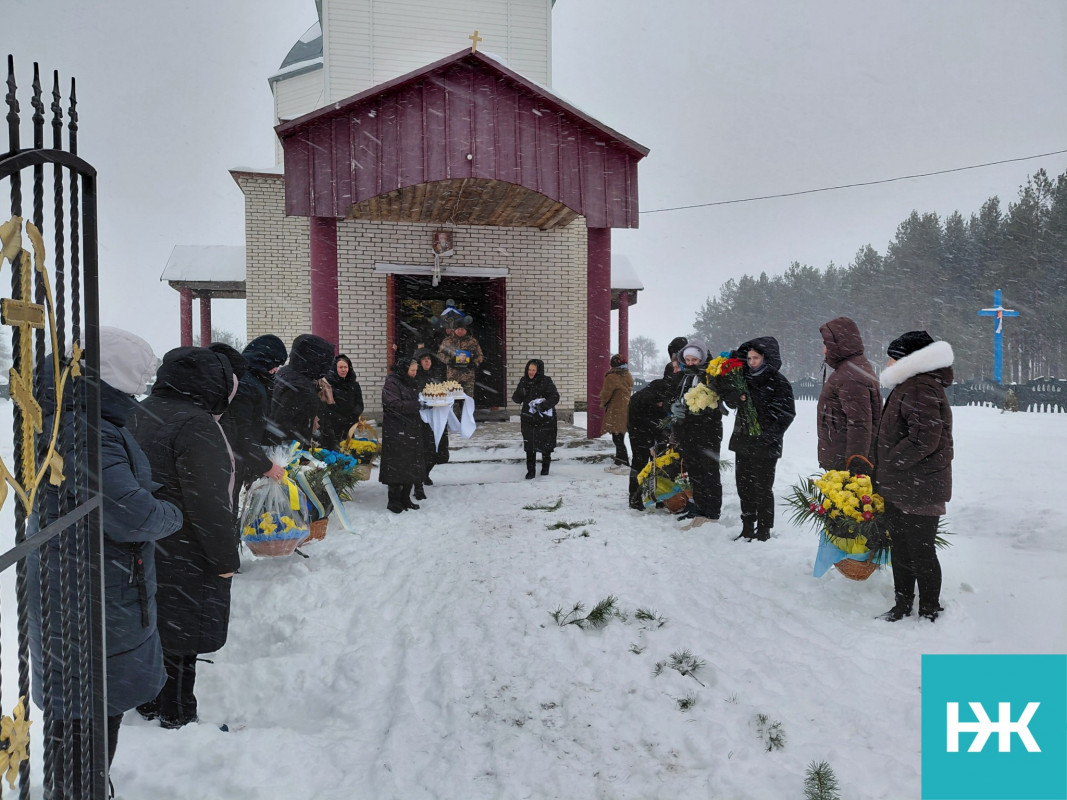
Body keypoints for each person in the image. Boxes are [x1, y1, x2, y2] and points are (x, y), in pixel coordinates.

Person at [29, 328, 183, 798]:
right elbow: (129, 515)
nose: (140, 391)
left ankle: (83, 784)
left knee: (86, 708)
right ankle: (81, 788)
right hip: (90, 593)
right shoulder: (87, 428)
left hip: (90, 584)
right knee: (87, 711)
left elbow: (108, 499)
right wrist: (171, 511)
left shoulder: (83, 422)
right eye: (135, 382)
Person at [128, 346, 238, 729]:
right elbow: (208, 501)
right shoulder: (196, 424)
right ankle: (177, 713)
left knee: (155, 625)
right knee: (182, 636)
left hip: (144, 540)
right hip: (186, 543)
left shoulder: (140, 410)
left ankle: (150, 702)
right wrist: (225, 560)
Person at [875, 331, 954, 622]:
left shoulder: (920, 387)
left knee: (920, 552)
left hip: (920, 484)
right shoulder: (910, 384)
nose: (888, 362)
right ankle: (903, 604)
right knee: (902, 549)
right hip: (906, 484)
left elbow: (924, 439)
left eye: (893, 357)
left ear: (910, 359)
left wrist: (889, 463)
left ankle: (929, 608)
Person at [724, 337, 796, 541]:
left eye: (756, 358)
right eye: (749, 358)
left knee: (762, 487)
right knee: (743, 486)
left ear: (766, 358)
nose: (751, 362)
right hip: (743, 441)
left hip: (766, 444)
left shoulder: (778, 382)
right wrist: (736, 398)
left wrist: (767, 437)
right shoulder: (742, 378)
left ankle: (764, 529)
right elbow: (731, 402)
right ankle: (747, 526)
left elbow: (786, 414)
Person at [220, 334, 289, 510]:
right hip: (232, 462)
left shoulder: (257, 380)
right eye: (275, 363)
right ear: (263, 359)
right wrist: (264, 465)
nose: (276, 369)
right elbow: (241, 431)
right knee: (229, 507)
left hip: (239, 460)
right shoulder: (247, 383)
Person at [669, 339, 724, 525]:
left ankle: (712, 512)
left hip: (707, 432)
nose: (691, 363)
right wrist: (676, 407)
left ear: (701, 358)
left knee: (709, 472)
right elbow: (675, 395)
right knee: (694, 473)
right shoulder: (684, 376)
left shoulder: (710, 375)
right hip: (687, 432)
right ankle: (699, 510)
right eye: (688, 359)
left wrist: (701, 410)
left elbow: (717, 404)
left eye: (694, 359)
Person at [817, 317, 882, 473]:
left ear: (839, 343)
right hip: (840, 457)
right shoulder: (851, 370)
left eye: (827, 345)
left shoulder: (851, 377)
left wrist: (855, 463)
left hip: (844, 465)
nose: (824, 350)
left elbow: (860, 423)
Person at [267, 333, 335, 447]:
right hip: (290, 450)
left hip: (286, 445)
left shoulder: (290, 373)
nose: (327, 367)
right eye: (325, 361)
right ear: (314, 358)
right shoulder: (299, 385)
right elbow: (285, 423)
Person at [379, 352, 427, 513]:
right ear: (404, 369)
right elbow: (394, 405)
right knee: (396, 465)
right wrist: (418, 405)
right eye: (412, 370)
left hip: (411, 427)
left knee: (411, 464)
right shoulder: (391, 383)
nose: (414, 373)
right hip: (395, 429)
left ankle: (406, 498)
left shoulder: (411, 382)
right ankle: (393, 500)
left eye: (415, 370)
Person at [626, 378, 674, 510]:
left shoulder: (661, 397)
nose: (660, 405)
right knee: (639, 465)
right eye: (659, 403)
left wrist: (663, 439)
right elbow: (640, 425)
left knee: (661, 464)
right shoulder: (641, 401)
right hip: (639, 436)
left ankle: (661, 497)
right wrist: (649, 445)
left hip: (657, 434)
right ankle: (635, 498)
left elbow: (662, 422)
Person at [512, 359, 560, 479]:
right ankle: (531, 471)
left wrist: (543, 405)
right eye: (529, 369)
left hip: (544, 419)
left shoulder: (546, 381)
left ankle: (545, 468)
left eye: (533, 370)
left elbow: (555, 397)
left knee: (546, 445)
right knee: (530, 445)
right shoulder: (524, 381)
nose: (531, 372)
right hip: (528, 419)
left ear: (539, 370)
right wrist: (520, 393)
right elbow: (516, 399)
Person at [414, 347, 449, 489]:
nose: (427, 362)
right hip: (422, 419)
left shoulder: (437, 375)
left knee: (437, 449)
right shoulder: (416, 377)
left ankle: (426, 472)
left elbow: (443, 392)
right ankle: (421, 475)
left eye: (428, 359)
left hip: (438, 417)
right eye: (424, 359)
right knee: (424, 449)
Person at [319, 354, 365, 451]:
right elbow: (326, 406)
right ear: (335, 368)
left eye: (345, 367)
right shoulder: (328, 385)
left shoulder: (354, 385)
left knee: (347, 450)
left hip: (349, 424)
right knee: (333, 451)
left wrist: (353, 416)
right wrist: (338, 418)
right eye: (340, 367)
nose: (343, 370)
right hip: (332, 425)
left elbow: (359, 404)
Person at [437, 306, 484, 398]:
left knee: (468, 400)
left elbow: (480, 355)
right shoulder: (447, 341)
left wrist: (474, 364)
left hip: (468, 376)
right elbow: (440, 354)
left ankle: (467, 413)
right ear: (454, 329)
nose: (460, 331)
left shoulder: (472, 341)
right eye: (458, 329)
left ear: (466, 330)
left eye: (462, 329)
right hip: (452, 376)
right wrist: (449, 361)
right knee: (452, 401)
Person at [600, 354, 634, 471]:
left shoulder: (612, 376)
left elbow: (606, 393)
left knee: (617, 438)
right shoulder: (627, 375)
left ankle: (624, 463)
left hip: (616, 409)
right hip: (626, 408)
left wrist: (603, 402)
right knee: (620, 436)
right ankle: (618, 461)